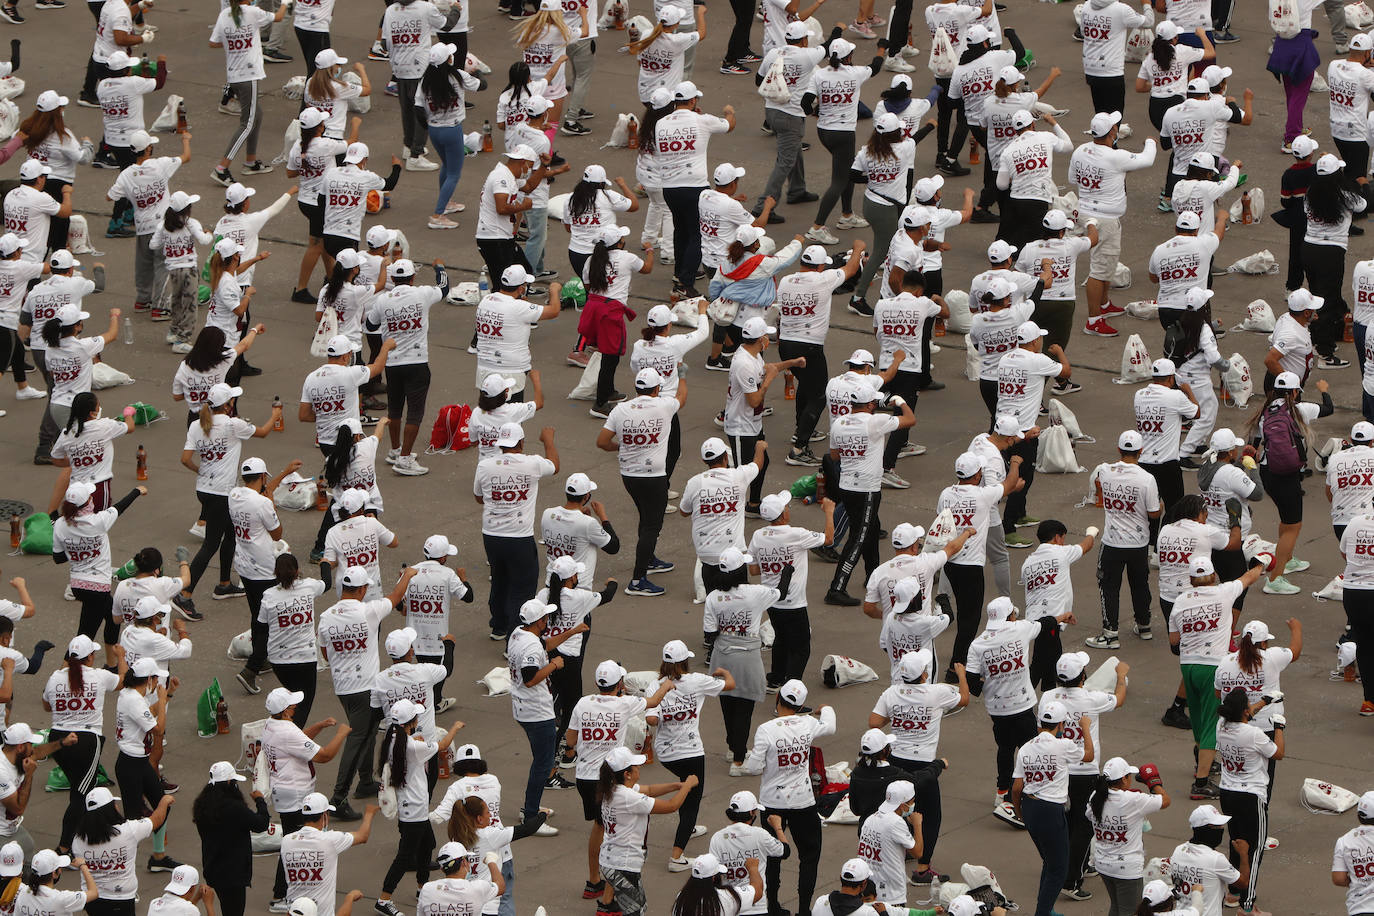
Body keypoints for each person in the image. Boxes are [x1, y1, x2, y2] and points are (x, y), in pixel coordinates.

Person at [965, 596, 1075, 828]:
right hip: (1023, 706)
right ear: (1010, 616)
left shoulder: (977, 645)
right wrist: (1062, 616)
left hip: (997, 710)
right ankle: (1030, 794)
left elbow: (973, 686)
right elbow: (1045, 623)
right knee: (1031, 752)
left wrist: (989, 677)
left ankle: (1002, 793)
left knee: (1005, 749)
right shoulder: (1020, 629)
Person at [1168, 554, 1267, 802]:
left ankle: (1203, 758)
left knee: (1199, 716)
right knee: (1214, 721)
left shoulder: (1180, 601)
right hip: (1212, 666)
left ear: (1191, 579)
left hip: (1188, 665)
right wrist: (1261, 563)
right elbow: (1248, 577)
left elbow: (1173, 641)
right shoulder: (1224, 592)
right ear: (1213, 576)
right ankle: (1201, 783)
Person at [643, 641, 735, 892]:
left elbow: (651, 717)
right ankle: (676, 856)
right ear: (685, 661)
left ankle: (689, 825)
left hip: (666, 753)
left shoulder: (655, 685)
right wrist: (723, 673)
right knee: (692, 797)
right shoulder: (697, 681)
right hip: (691, 751)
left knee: (687, 787)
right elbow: (730, 685)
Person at [868, 648, 963, 880]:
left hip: (896, 761)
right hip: (924, 763)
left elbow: (874, 723)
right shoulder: (936, 692)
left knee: (899, 807)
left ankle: (906, 846)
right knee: (930, 815)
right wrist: (961, 676)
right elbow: (966, 700)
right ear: (924, 674)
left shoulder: (891, 693)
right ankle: (923, 868)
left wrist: (900, 716)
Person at [742, 680, 833, 916]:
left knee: (772, 857)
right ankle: (804, 910)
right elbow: (830, 726)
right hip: (803, 801)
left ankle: (772, 906)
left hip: (773, 802)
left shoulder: (766, 729)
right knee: (809, 857)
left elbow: (752, 768)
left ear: (777, 699)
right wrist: (826, 708)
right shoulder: (808, 723)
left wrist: (759, 761)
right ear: (801, 705)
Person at [1043, 652, 1129, 901]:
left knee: (1069, 822)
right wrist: (1121, 676)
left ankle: (1073, 866)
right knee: (1085, 826)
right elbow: (1119, 699)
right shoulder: (1091, 698)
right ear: (1082, 676)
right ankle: (1071, 880)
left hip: (1059, 769)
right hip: (1084, 772)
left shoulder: (1048, 696)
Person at [565, 662, 666, 876]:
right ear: (620, 683)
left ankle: (594, 879)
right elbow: (654, 701)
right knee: (614, 831)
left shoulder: (583, 703)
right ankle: (609, 881)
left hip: (584, 777)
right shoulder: (625, 704)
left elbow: (571, 739)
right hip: (610, 778)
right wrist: (668, 686)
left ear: (596, 683)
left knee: (599, 826)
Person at [825, 380, 914, 604]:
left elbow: (834, 455)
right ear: (871, 404)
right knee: (858, 538)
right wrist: (900, 401)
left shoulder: (839, 422)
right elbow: (910, 419)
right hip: (867, 489)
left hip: (847, 485)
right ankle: (836, 587)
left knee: (871, 529)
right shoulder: (876, 421)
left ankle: (872, 574)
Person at [596, 367, 683, 596]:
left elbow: (602, 442)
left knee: (646, 519)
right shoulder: (664, 405)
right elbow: (681, 398)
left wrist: (623, 447)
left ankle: (649, 559)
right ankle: (637, 580)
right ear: (656, 389)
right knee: (652, 526)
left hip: (629, 475)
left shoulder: (620, 409)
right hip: (654, 477)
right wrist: (682, 375)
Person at [374, 700, 464, 915]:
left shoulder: (393, 739)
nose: (418, 719)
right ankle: (384, 899)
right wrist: (455, 728)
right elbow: (441, 746)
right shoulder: (413, 746)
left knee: (428, 844)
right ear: (411, 721)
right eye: (416, 716)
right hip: (414, 809)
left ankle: (421, 888)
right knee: (404, 857)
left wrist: (415, 739)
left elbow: (409, 748)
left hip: (412, 806)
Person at [936, 453, 1024, 674]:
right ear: (977, 475)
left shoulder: (946, 493)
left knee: (965, 613)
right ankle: (957, 667)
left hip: (950, 561)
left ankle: (946, 612)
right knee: (970, 619)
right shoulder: (982, 495)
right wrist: (1015, 463)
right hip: (971, 566)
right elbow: (1010, 483)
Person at [777, 244, 864, 466]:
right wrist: (858, 249)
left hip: (786, 343)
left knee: (806, 386)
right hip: (809, 347)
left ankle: (802, 429)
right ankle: (798, 448)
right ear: (820, 265)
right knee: (818, 395)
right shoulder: (823, 279)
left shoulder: (787, 281)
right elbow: (852, 269)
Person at [1247, 372, 1334, 594]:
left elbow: (1254, 444)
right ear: (1295, 392)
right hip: (1287, 475)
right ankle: (1275, 579)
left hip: (1268, 473)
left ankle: (1288, 558)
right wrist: (1324, 390)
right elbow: (1328, 408)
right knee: (1293, 526)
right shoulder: (1299, 410)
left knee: (1287, 521)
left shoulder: (1264, 412)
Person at [1069, 114, 1156, 335]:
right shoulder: (1116, 156)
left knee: (1106, 265)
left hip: (1086, 211)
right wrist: (1150, 142)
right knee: (1099, 269)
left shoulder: (1080, 151)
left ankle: (1104, 305)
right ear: (1112, 133)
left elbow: (1072, 179)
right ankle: (1093, 320)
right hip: (1105, 220)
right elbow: (1148, 159)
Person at [507, 597, 588, 830]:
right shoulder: (531, 646)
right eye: (545, 617)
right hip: (537, 712)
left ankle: (532, 807)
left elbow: (547, 645)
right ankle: (531, 815)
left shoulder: (519, 634)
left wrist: (572, 632)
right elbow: (531, 678)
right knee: (542, 764)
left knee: (540, 762)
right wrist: (554, 665)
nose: (547, 619)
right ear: (538, 621)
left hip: (523, 708)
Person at [474, 424, 559, 638]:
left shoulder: (485, 465)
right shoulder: (532, 463)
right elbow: (555, 465)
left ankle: (499, 626)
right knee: (523, 587)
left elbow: (478, 497)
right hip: (519, 537)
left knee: (499, 579)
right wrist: (548, 439)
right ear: (521, 442)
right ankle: (516, 634)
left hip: (491, 535)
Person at [705, 547, 785, 772]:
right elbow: (782, 592)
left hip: (722, 654)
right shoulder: (755, 593)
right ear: (740, 570)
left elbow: (709, 634)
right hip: (747, 656)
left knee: (727, 702)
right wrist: (787, 572)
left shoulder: (713, 596)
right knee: (744, 708)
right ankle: (739, 760)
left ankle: (733, 747)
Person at [1011, 699, 1093, 916]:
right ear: (1062, 725)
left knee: (1050, 861)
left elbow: (1017, 788)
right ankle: (1043, 912)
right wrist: (1085, 728)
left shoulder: (1026, 748)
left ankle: (1046, 909)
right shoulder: (1063, 745)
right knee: (1059, 868)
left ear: (1039, 724)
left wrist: (1021, 814)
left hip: (1030, 808)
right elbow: (1089, 756)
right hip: (1050, 811)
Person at [43, 635, 125, 851]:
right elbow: (123, 681)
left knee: (78, 789)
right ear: (90, 657)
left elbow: (46, 706)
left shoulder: (55, 677)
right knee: (82, 794)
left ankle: (88, 832)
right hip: (86, 742)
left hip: (58, 741)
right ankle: (64, 848)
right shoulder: (99, 676)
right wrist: (121, 657)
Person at [596, 747, 697, 916]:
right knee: (636, 911)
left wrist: (676, 785)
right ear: (627, 774)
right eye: (636, 766)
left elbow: (649, 790)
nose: (639, 768)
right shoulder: (629, 798)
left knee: (638, 907)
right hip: (623, 865)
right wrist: (687, 786)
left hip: (611, 860)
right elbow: (672, 806)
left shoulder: (613, 789)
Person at [1085, 431, 1163, 649]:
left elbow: (1094, 496)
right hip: (1138, 543)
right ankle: (1144, 625)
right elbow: (1154, 513)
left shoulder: (1104, 470)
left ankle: (1110, 634)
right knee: (1140, 584)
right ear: (1141, 451)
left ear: (1119, 449)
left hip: (1112, 543)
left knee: (1109, 586)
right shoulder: (1147, 479)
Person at [658, 81, 736, 298]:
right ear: (693, 101)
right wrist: (729, 112)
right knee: (696, 235)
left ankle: (678, 275)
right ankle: (685, 282)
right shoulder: (702, 120)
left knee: (680, 231)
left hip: (670, 188)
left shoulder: (661, 123)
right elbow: (729, 125)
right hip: (694, 186)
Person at [230, 457, 300, 693]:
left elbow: (262, 492)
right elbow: (277, 534)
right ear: (262, 477)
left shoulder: (234, 495)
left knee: (256, 613)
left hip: (243, 565)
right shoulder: (263, 504)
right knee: (267, 621)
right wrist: (273, 504)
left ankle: (262, 657)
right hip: (264, 568)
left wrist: (284, 471)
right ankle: (251, 669)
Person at [748, 492, 833, 687]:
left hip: (770, 599)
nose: (788, 509)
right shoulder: (796, 534)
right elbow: (828, 539)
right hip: (793, 602)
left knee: (781, 638)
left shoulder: (758, 536)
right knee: (801, 648)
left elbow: (753, 569)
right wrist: (829, 511)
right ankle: (790, 691)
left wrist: (771, 561)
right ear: (782, 515)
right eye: (786, 507)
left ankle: (776, 678)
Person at [803, 38, 882, 246]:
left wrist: (814, 112)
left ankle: (847, 215)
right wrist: (881, 49)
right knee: (839, 180)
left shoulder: (819, 75)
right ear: (848, 57)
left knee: (846, 169)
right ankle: (817, 227)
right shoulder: (855, 73)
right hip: (844, 133)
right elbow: (875, 67)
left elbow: (806, 102)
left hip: (824, 131)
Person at [995, 320, 1071, 531]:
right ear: (1036, 340)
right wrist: (1060, 352)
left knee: (1017, 472)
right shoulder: (1038, 360)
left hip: (1002, 424)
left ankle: (1020, 514)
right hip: (1024, 429)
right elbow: (1066, 372)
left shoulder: (1005, 358)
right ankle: (1008, 527)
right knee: (1022, 478)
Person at [104, 129, 189, 317]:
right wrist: (186, 140)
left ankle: (142, 300)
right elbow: (186, 156)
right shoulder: (161, 165)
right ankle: (159, 307)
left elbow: (110, 197)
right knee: (162, 265)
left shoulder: (126, 175)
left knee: (143, 264)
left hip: (142, 226)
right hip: (163, 226)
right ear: (149, 148)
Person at [52, 478, 145, 645]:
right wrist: (137, 491)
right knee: (84, 638)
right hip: (97, 586)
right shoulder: (98, 522)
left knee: (114, 618)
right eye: (90, 497)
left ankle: (111, 662)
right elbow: (119, 508)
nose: (92, 499)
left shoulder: (60, 524)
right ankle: (68, 669)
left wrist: (77, 549)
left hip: (78, 585)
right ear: (87, 503)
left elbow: (58, 558)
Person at [1215, 688, 1282, 916]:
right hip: (1251, 796)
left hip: (1227, 792)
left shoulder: (1221, 726)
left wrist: (1264, 702)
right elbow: (1278, 753)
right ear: (1244, 711)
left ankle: (1233, 892)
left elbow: (1244, 714)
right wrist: (1279, 728)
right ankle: (1248, 905)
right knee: (1254, 850)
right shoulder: (1253, 734)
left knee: (1236, 843)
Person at [208, 0, 288, 184]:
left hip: (234, 75)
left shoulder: (224, 14)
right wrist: (285, 2)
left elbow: (214, 42)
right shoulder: (253, 12)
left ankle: (250, 161)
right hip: (249, 75)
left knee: (256, 115)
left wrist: (233, 42)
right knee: (247, 123)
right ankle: (222, 168)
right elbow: (279, 17)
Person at [581, 228, 652, 415]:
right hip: (610, 312)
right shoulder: (627, 258)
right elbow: (647, 268)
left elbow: (588, 286)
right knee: (610, 357)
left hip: (594, 308)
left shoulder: (591, 260)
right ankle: (600, 403)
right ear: (619, 243)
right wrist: (650, 252)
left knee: (606, 353)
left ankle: (609, 391)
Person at [1086, 758, 1169, 916]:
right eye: (1129, 776)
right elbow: (1165, 801)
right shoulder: (1133, 800)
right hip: (1127, 869)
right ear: (1123, 779)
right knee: (1130, 912)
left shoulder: (1095, 796)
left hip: (1103, 864)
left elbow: (1089, 815)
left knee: (1116, 907)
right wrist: (1154, 783)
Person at [681, 438, 765, 594]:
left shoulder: (695, 482)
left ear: (703, 460)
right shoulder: (738, 476)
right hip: (734, 556)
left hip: (707, 555)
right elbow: (758, 465)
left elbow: (684, 511)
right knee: (739, 600)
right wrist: (760, 448)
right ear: (726, 457)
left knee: (714, 602)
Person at [72, 783, 176, 907]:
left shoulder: (77, 840)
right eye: (114, 804)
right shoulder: (129, 830)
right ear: (110, 809)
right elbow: (157, 820)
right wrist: (164, 801)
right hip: (123, 898)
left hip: (92, 899)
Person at [415, 44, 483, 230]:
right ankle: (438, 214)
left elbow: (418, 108)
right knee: (454, 172)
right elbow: (481, 86)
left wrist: (428, 126)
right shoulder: (458, 76)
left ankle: (447, 202)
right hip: (452, 130)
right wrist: (477, 71)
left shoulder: (425, 80)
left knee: (447, 165)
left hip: (434, 130)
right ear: (448, 60)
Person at [279, 792, 379, 916]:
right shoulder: (330, 840)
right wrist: (369, 813)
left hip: (295, 909)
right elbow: (362, 836)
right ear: (324, 816)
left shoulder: (287, 841)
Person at [1020, 523, 1096, 682]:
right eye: (1063, 538)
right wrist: (1092, 532)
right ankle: (1025, 697)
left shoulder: (1027, 563)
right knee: (1043, 664)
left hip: (1035, 619)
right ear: (1056, 537)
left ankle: (1048, 693)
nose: (1063, 542)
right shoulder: (1061, 552)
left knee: (1048, 662)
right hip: (1051, 621)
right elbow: (1086, 545)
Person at [192, 762, 270, 916]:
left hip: (213, 869)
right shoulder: (235, 808)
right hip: (233, 874)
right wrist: (261, 801)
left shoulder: (202, 805)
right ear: (229, 783)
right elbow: (261, 824)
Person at [1134, 358, 1199, 544]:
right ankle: (1161, 547)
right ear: (1171, 378)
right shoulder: (1175, 397)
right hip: (1167, 464)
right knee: (1175, 509)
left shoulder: (1139, 394)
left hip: (1144, 462)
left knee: (1149, 507)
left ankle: (1149, 543)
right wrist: (1188, 391)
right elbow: (1196, 413)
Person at [472, 266, 560, 402]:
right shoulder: (518, 308)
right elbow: (554, 311)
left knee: (490, 413)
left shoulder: (486, 300)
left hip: (485, 368)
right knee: (510, 417)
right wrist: (554, 290)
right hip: (510, 372)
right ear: (520, 289)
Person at [260, 555, 326, 725]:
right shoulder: (309, 586)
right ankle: (289, 739)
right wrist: (325, 563)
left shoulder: (269, 596)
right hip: (306, 659)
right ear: (297, 572)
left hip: (279, 661)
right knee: (302, 706)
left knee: (292, 701)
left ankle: (284, 734)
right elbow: (327, 583)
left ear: (276, 572)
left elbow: (261, 625)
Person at [994, 110, 1072, 253]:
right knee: (1034, 247)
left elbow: (1001, 184)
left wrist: (1015, 175)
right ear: (1033, 124)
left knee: (1010, 245)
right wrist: (1053, 123)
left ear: (1015, 130)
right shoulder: (1046, 137)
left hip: (1016, 200)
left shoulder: (1008, 150)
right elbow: (1068, 146)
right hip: (1038, 200)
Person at [40, 301, 120, 436]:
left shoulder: (50, 349)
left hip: (57, 405)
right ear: (77, 326)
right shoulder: (84, 346)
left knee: (72, 441)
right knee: (80, 443)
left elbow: (52, 375)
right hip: (79, 406)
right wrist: (114, 316)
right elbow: (112, 335)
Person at [0, 724, 77, 861]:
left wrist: (62, 742)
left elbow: (38, 752)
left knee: (28, 848)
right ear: (20, 747)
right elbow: (18, 808)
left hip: (10, 827)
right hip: (1, 832)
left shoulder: (16, 756)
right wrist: (29, 776)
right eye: (30, 744)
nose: (32, 749)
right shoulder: (2, 772)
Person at [150, 191, 215, 347]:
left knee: (177, 301)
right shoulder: (191, 223)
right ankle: (182, 339)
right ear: (187, 209)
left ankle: (174, 331)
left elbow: (153, 245)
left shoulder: (163, 226)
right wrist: (209, 233)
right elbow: (205, 241)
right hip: (189, 269)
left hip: (173, 270)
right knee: (190, 305)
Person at [14, 849, 98, 916]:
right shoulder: (62, 899)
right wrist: (83, 866)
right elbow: (94, 893)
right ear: (54, 873)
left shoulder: (23, 893)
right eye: (59, 867)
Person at [1331, 790, 1374, 915]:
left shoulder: (1344, 841)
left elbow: (1338, 878)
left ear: (1359, 815)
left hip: (1359, 908)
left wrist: (1360, 880)